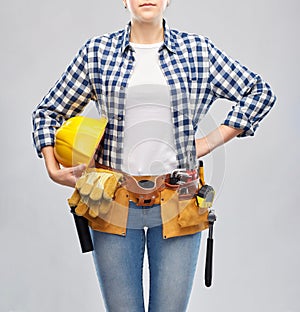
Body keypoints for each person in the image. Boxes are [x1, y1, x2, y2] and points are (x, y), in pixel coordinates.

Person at [32, 0, 276, 311]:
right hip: (113, 200)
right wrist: (53, 169)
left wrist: (209, 142)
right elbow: (47, 112)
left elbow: (259, 92)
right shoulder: (97, 53)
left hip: (180, 198)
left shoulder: (198, 51)